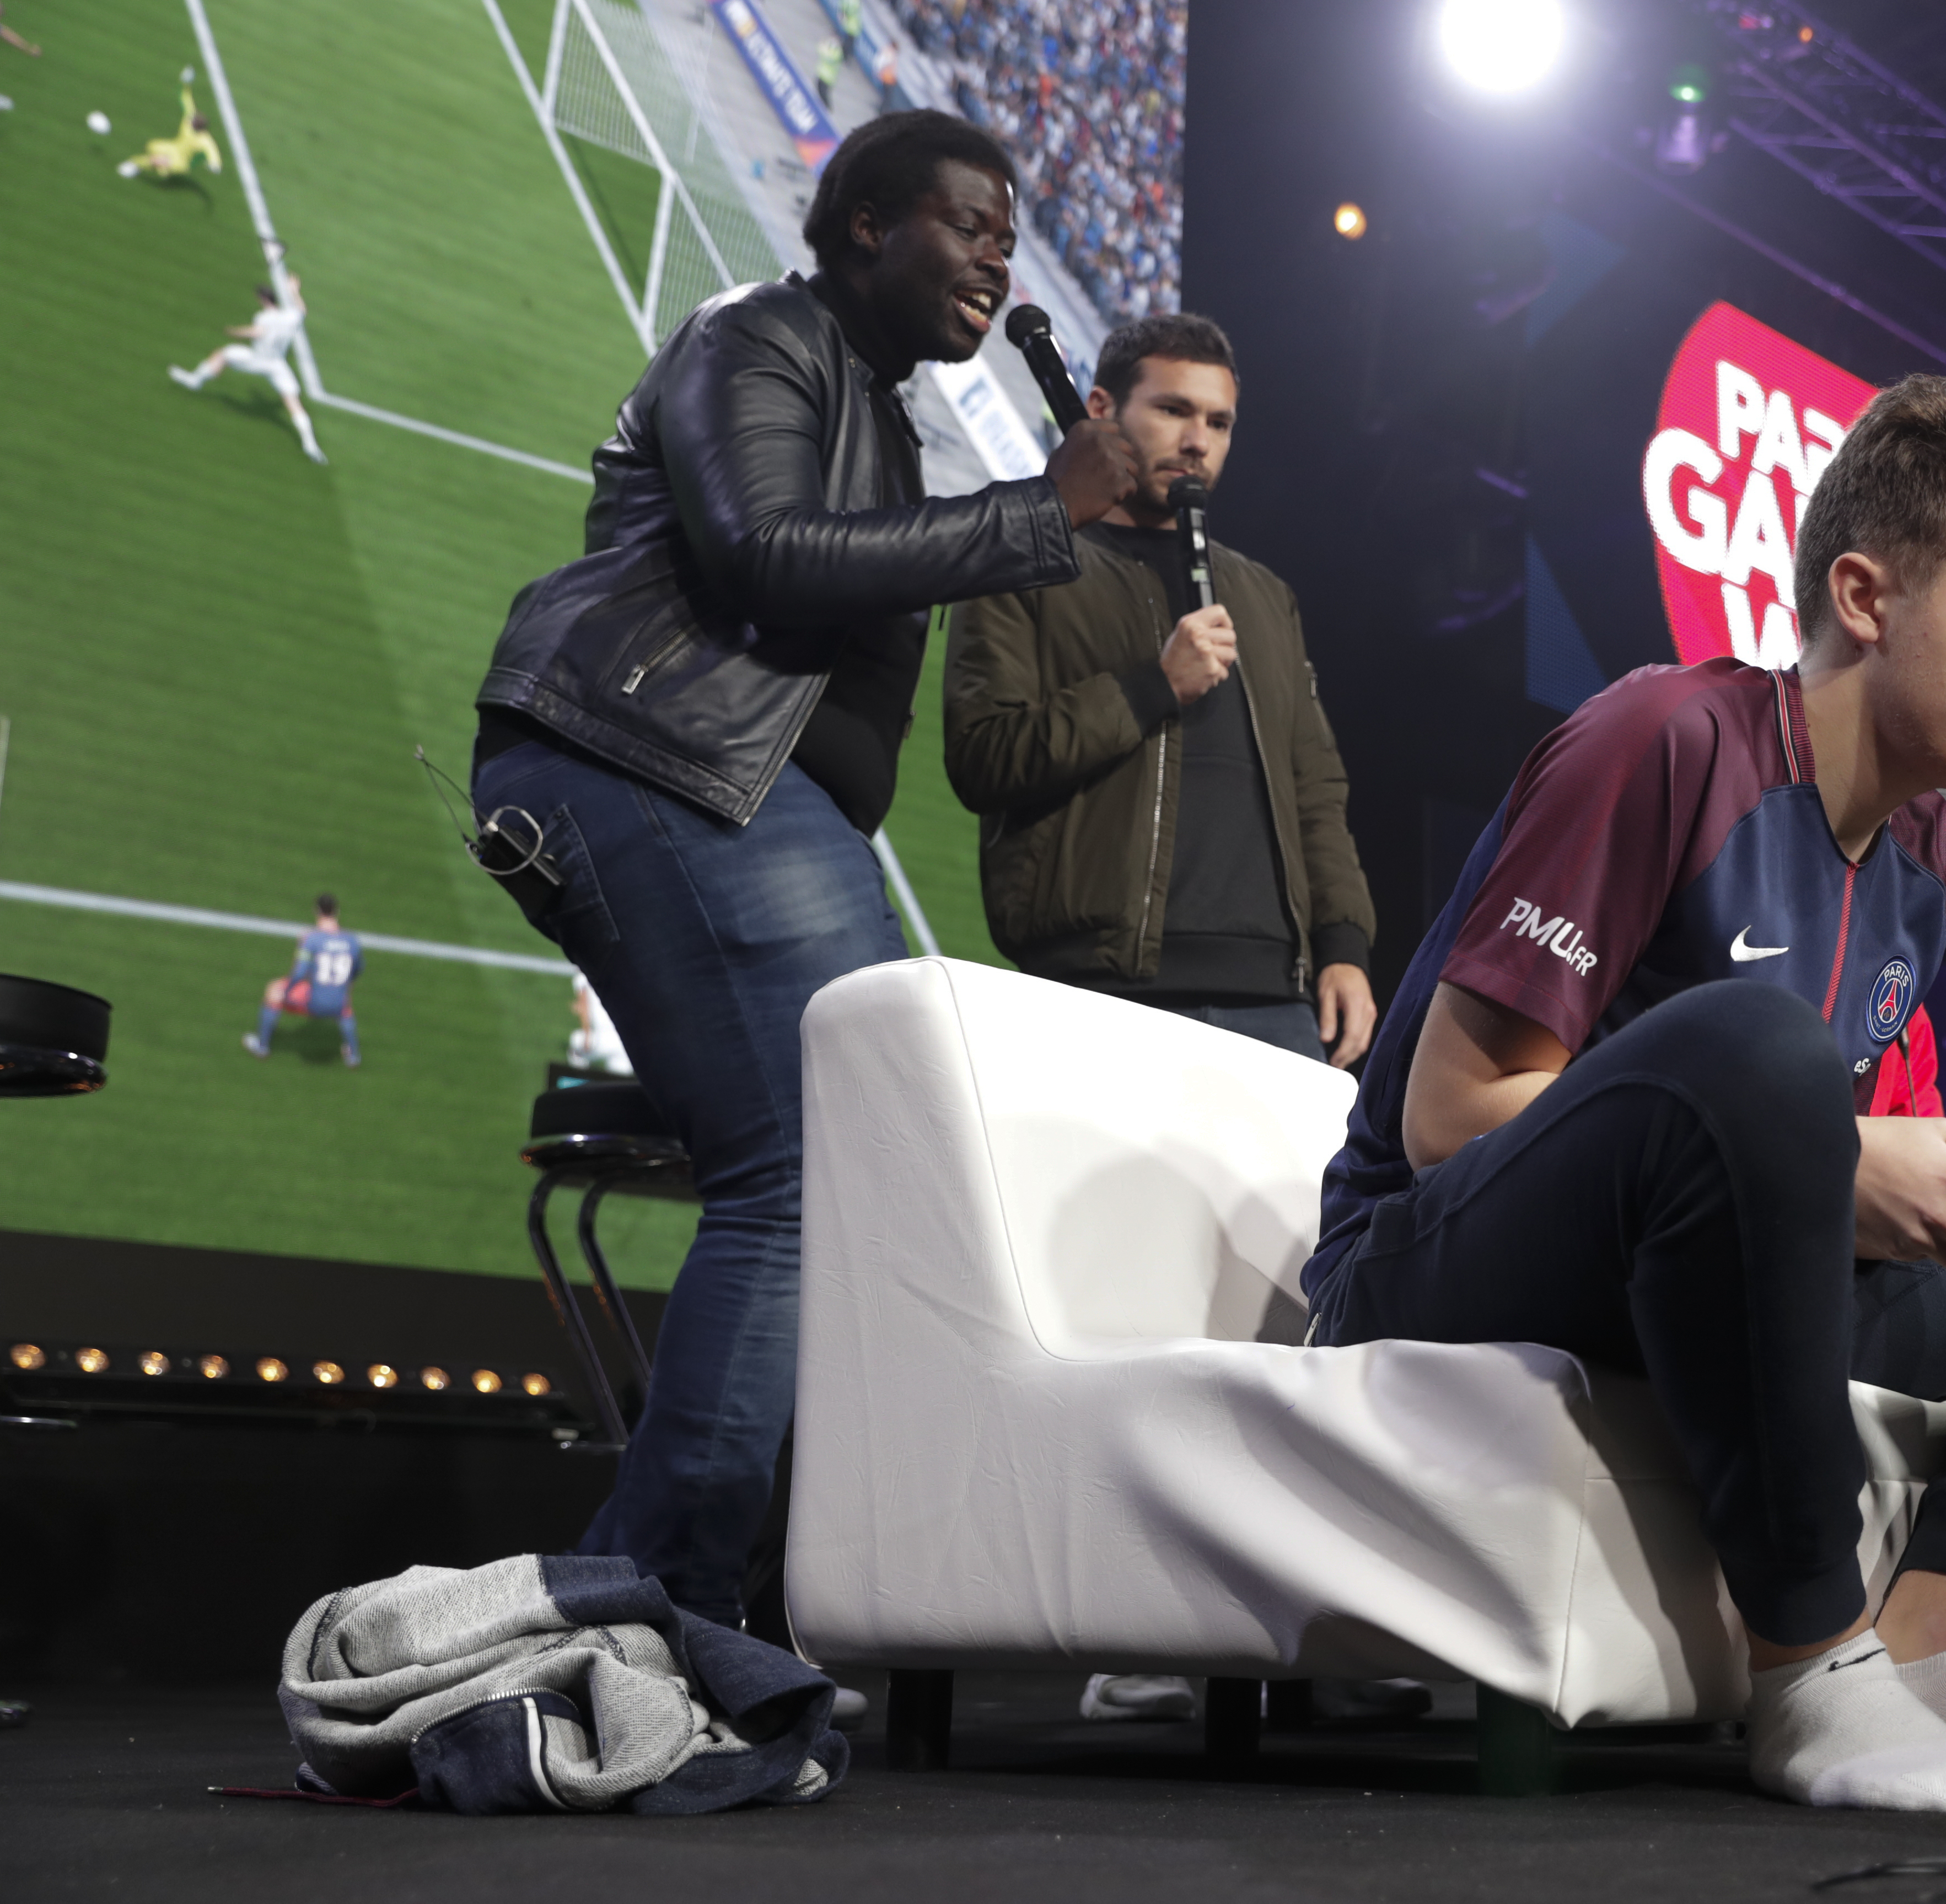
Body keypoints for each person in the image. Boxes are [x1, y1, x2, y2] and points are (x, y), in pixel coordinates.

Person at [1307, 374, 1946, 1810]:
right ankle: (1811, 1665)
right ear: (1864, 595)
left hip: (1703, 1260)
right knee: (1755, 1049)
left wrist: (1916, 1188)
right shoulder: (1664, 735)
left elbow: (1796, 1167)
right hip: (1428, 1261)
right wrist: (1840, 1152)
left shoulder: (1933, 853)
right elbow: (1450, 1123)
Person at [465, 109, 1141, 1628]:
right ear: (863, 228)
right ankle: (652, 1611)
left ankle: (697, 1599)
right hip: (654, 765)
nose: (1000, 252)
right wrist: (1043, 509)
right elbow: (764, 548)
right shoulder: (757, 334)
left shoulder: (887, 416)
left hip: (756, 806)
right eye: (971, 223)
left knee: (843, 1188)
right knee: (800, 1180)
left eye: (1011, 228)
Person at [948, 311, 1379, 1072]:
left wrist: (1344, 946)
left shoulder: (1264, 593)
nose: (1197, 441)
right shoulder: (1026, 563)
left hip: (1276, 1003)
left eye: (1218, 421)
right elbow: (984, 757)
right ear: (1104, 410)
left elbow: (1316, 791)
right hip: (1100, 989)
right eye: (1173, 409)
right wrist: (1152, 686)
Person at [170, 278, 326, 463]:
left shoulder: (264, 316)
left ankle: (195, 381)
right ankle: (310, 444)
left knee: (222, 354)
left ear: (263, 300)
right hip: (278, 365)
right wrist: (294, 291)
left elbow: (257, 332)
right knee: (293, 402)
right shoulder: (291, 317)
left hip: (258, 359)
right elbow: (302, 311)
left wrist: (235, 332)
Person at [244, 895, 362, 1066]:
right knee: (345, 1005)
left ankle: (262, 1047)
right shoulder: (352, 940)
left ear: (316, 911)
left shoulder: (311, 938)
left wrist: (287, 990)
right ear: (337, 912)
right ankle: (354, 1056)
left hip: (314, 1004)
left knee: (274, 990)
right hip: (338, 1004)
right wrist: (347, 986)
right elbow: (358, 969)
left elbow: (299, 973)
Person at [118, 72, 222, 180]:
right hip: (172, 147)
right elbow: (185, 97)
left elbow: (214, 154)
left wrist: (214, 166)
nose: (191, 122)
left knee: (157, 160)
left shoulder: (205, 140)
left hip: (181, 163)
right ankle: (162, 170)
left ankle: (134, 165)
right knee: (151, 145)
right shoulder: (190, 118)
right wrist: (186, 82)